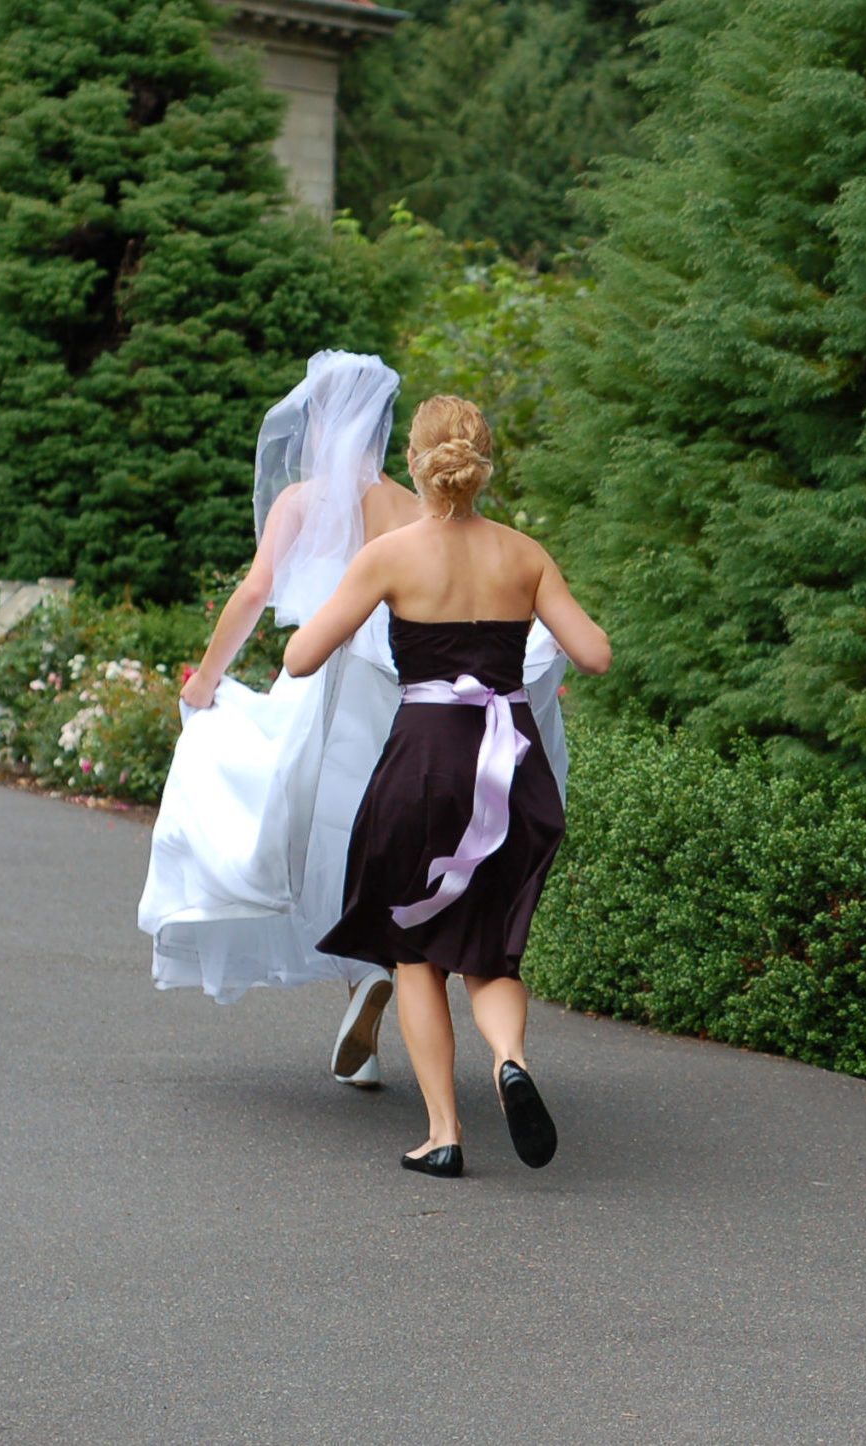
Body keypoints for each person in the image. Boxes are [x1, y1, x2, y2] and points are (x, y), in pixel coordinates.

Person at [137, 357, 571, 1090]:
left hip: (321, 696)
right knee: (383, 852)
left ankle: (364, 991)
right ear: (385, 427)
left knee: (313, 838)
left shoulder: (302, 502)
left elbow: (253, 594)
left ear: (316, 421)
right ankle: (375, 994)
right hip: (397, 701)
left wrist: (206, 682)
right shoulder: (408, 505)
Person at [286, 396, 609, 1177]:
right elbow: (594, 654)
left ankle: (443, 1133)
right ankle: (510, 1059)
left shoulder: (391, 555)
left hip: (425, 765)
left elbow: (301, 658)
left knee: (415, 949)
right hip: (510, 768)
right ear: (484, 462)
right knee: (488, 952)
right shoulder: (524, 554)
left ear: (415, 464)